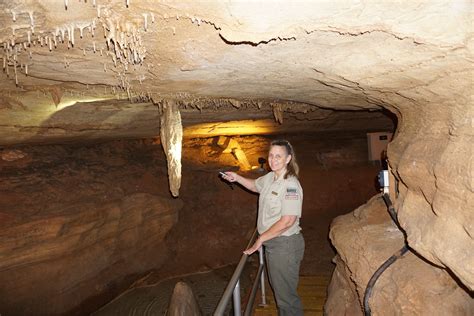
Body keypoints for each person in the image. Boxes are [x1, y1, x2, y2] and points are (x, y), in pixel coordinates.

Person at [221, 139, 305, 316]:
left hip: (285, 245)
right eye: (271, 155)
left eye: (278, 156)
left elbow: (288, 220)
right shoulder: (270, 177)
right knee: (281, 291)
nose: (273, 160)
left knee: (286, 299)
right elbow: (254, 185)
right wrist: (236, 178)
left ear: (288, 159)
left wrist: (261, 238)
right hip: (274, 244)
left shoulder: (290, 185)